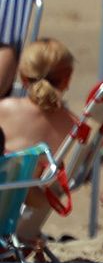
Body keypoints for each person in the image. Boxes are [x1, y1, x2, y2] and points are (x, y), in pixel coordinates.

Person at [0, 40, 78, 250]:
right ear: (67, 78)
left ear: (23, 77)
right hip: (25, 218)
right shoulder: (73, 126)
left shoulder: (4, 109)